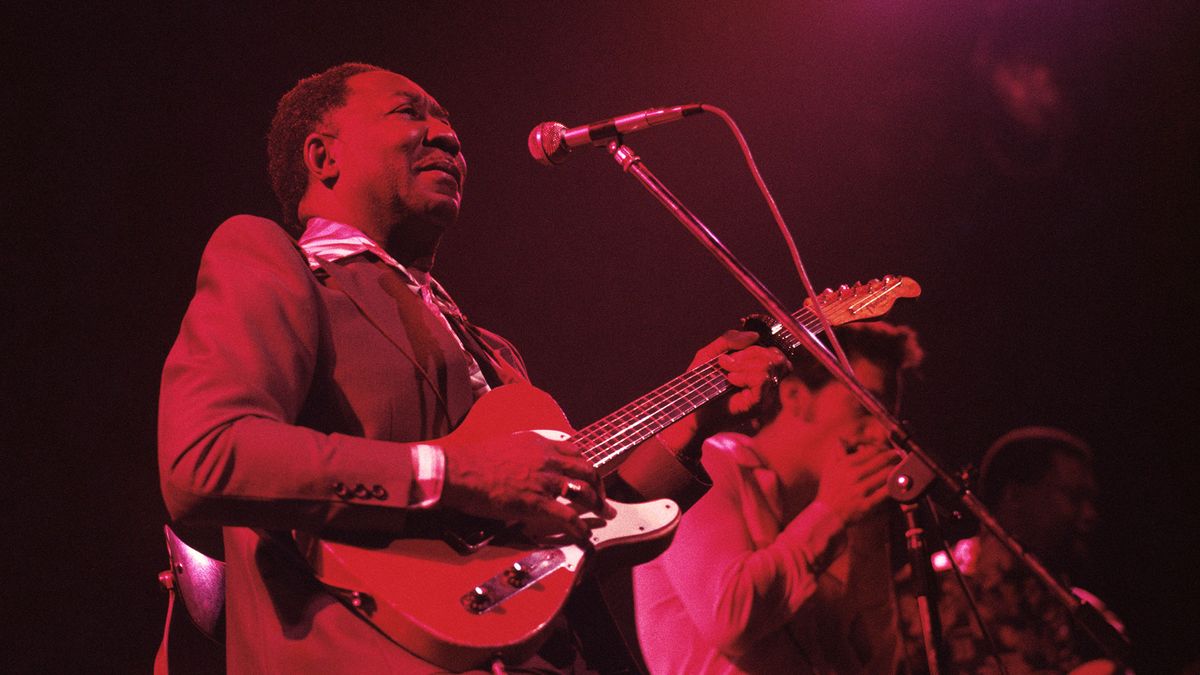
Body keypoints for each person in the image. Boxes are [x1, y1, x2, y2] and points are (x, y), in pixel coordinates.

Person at [156, 62, 786, 673]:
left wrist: (689, 431)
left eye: (448, 121)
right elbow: (203, 458)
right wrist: (454, 474)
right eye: (409, 113)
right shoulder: (278, 265)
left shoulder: (493, 350)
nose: (448, 136)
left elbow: (550, 545)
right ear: (324, 158)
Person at [632, 321, 925, 674]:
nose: (883, 435)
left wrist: (869, 539)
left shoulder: (831, 508)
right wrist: (830, 515)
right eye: (865, 408)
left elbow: (876, 665)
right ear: (797, 398)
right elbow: (728, 619)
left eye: (889, 419)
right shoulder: (711, 466)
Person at [895, 426, 1126, 674]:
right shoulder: (930, 586)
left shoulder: (1085, 614)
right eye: (1075, 496)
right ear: (1015, 495)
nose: (1090, 514)